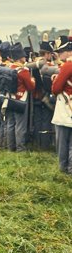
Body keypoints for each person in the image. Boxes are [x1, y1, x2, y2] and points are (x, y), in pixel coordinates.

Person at [51, 37, 72, 175]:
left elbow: (56, 88)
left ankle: (64, 169)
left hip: (66, 108)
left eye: (61, 51)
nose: (59, 54)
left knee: (63, 142)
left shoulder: (68, 65)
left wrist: (54, 80)